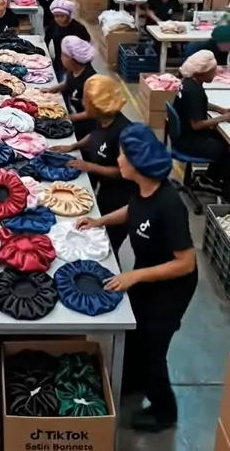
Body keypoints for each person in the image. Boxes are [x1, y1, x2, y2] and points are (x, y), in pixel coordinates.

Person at [78, 124, 198, 432]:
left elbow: (186, 263)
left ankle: (164, 411)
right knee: (134, 332)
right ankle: (133, 380)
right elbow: (132, 210)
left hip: (172, 285)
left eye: (122, 155)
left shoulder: (169, 205)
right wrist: (99, 222)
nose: (118, 159)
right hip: (147, 272)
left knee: (153, 347)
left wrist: (135, 276)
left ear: (137, 163)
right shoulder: (142, 187)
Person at [55, 75, 133, 254]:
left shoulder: (124, 132)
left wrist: (90, 167)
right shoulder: (104, 119)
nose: (83, 103)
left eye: (86, 100)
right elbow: (96, 135)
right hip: (104, 189)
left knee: (107, 243)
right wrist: (74, 146)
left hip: (119, 197)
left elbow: (122, 172)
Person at [173, 50, 230, 196]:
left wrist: (220, 109)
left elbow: (200, 104)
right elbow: (196, 125)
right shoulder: (194, 91)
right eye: (212, 71)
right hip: (189, 141)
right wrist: (222, 118)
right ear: (201, 74)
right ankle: (227, 192)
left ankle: (210, 178)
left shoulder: (188, 83)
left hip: (183, 134)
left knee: (221, 139)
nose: (215, 74)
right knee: (226, 149)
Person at [43, 35, 96, 140]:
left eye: (63, 55)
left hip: (85, 128)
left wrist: (68, 118)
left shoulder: (89, 82)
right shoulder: (74, 69)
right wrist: (52, 89)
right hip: (72, 112)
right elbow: (69, 82)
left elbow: (91, 113)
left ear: (72, 59)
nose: (61, 57)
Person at [44, 0, 90, 79]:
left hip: (75, 62)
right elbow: (46, 41)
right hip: (59, 60)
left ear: (69, 15)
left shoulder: (79, 28)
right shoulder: (52, 27)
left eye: (62, 16)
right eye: (56, 16)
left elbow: (87, 43)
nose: (59, 19)